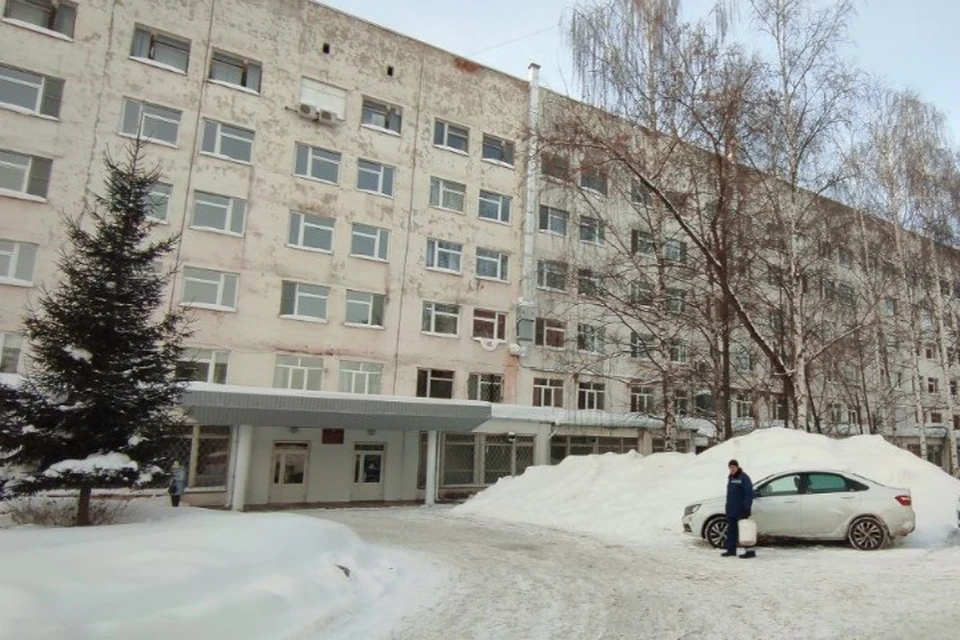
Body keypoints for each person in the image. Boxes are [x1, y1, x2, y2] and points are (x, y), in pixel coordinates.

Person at [723, 459, 755, 559]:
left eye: (733, 467)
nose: (732, 469)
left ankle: (750, 551)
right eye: (730, 467)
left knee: (745, 530)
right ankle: (731, 550)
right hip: (732, 509)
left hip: (741, 510)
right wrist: (727, 507)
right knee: (732, 530)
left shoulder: (744, 477)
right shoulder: (731, 477)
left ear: (737, 467)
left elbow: (748, 494)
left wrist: (746, 508)